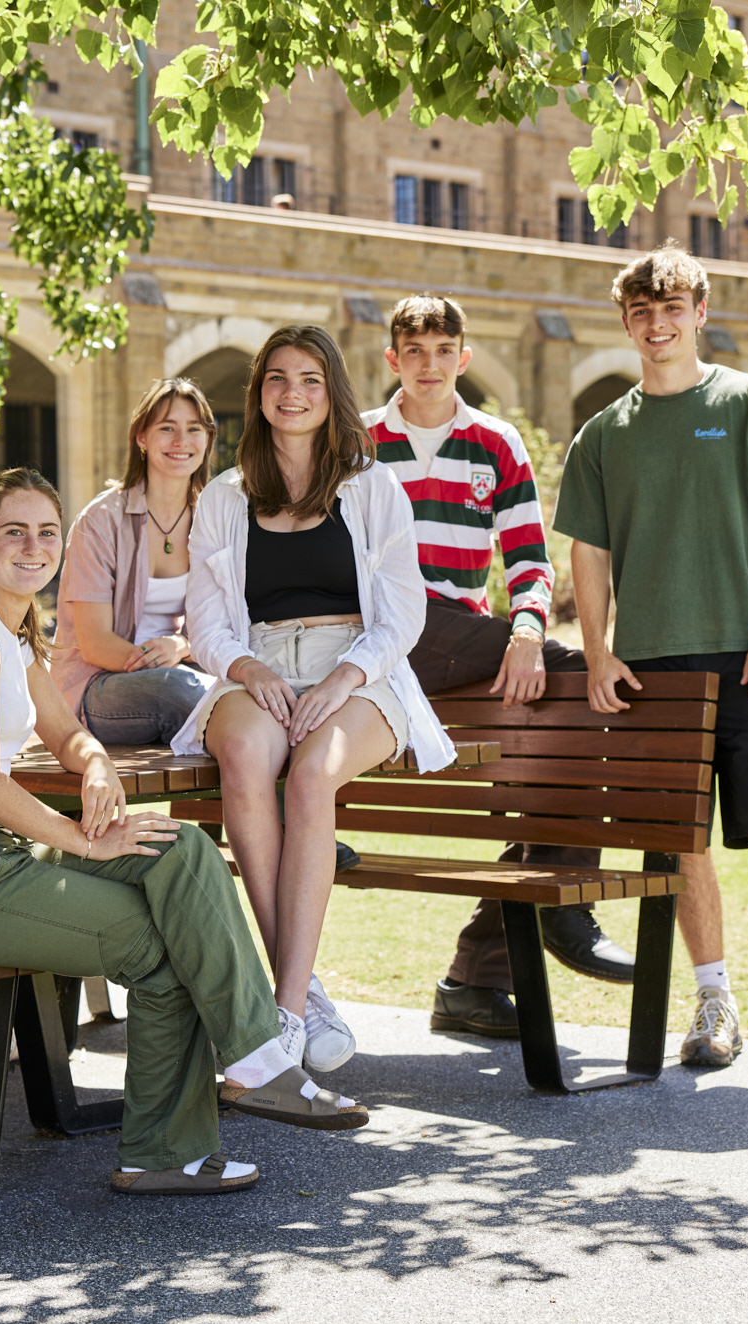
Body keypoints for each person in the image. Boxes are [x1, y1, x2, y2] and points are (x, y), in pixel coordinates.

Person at [0, 468, 369, 1197]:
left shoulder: (9, 635)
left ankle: (252, 1061)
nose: (34, 545)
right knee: (163, 945)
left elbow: (66, 731)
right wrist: (86, 841)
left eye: (47, 531)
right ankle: (187, 1130)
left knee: (183, 849)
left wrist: (97, 769)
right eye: (13, 530)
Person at [554, 243, 748, 1081]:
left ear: (700, 311)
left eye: (672, 307)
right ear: (627, 322)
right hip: (656, 670)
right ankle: (714, 1004)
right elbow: (590, 550)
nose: (658, 323)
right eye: (642, 311)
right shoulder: (603, 434)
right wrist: (598, 651)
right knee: (684, 847)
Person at [175, 325, 459, 1073]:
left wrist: (344, 677)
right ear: (259, 393)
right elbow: (203, 619)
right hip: (258, 662)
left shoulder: (371, 486)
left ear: (331, 392)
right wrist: (242, 667)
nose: (291, 394)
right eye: (276, 379)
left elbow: (403, 614)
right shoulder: (227, 499)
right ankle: (298, 993)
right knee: (242, 756)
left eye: (308, 379)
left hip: (358, 667)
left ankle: (289, 1015)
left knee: (308, 775)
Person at [362, 294, 639, 1040]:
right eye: (412, 352)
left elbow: (526, 556)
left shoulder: (495, 442)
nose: (427, 365)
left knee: (570, 695)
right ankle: (566, 906)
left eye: (441, 350)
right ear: (392, 360)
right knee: (580, 676)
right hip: (381, 636)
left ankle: (475, 981)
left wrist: (524, 628)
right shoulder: (356, 444)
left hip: (459, 638)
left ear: (464, 357)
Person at [52, 378, 217, 744]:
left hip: (185, 673)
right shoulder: (101, 520)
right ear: (141, 437)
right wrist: (169, 661)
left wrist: (182, 645)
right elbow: (95, 644)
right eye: (167, 428)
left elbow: (228, 621)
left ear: (207, 439)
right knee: (178, 689)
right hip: (98, 687)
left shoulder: (214, 519)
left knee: (260, 699)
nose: (181, 441)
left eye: (193, 429)